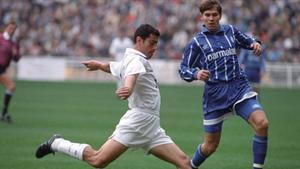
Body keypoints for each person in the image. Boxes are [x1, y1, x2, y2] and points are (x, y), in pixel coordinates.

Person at [35, 24, 191, 169]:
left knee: (184, 163)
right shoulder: (136, 60)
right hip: (138, 121)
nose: (155, 48)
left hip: (151, 125)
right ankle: (57, 143)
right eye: (151, 43)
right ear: (139, 40)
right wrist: (128, 87)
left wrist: (99, 65)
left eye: (156, 44)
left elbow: (114, 67)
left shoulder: (130, 59)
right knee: (98, 160)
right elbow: (132, 74)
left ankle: (56, 143)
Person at [178, 1, 269, 169]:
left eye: (214, 15)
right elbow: (182, 68)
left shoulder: (230, 31)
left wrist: (255, 43)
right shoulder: (197, 42)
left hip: (239, 88)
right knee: (210, 146)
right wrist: (196, 73)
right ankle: (191, 166)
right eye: (207, 15)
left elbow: (248, 40)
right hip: (215, 95)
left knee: (262, 123)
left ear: (220, 15)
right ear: (202, 17)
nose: (211, 18)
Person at [0, 21, 21, 123]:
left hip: (3, 69)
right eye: (10, 28)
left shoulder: (14, 43)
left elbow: (16, 59)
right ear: (6, 28)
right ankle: (3, 113)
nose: (11, 30)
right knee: (11, 86)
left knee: (11, 87)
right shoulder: (1, 38)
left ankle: (3, 113)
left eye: (13, 29)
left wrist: (15, 54)